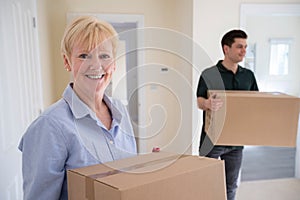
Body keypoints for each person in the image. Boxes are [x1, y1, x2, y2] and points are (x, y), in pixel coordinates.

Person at [18, 16, 137, 200]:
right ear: (67, 62)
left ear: (113, 64)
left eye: (104, 56)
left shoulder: (120, 110)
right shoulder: (50, 126)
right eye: (84, 55)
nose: (96, 65)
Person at [196, 29, 258, 200]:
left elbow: (256, 101)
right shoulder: (209, 74)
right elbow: (199, 100)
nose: (244, 51)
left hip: (237, 141)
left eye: (245, 47)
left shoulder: (249, 76)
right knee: (207, 184)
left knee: (230, 186)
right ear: (226, 48)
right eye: (239, 47)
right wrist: (207, 103)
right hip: (212, 140)